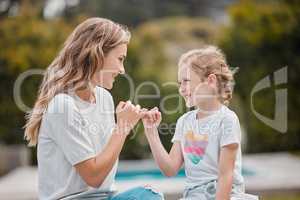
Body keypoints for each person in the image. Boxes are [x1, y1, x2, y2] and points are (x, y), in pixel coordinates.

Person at [24, 17, 163, 200]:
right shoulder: (63, 106)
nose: (122, 70)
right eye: (120, 59)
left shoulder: (104, 98)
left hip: (104, 196)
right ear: (97, 55)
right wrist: (122, 127)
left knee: (149, 195)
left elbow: (103, 174)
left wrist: (131, 123)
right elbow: (94, 177)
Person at [142, 46, 258, 200]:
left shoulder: (227, 120)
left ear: (210, 81)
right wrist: (151, 132)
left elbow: (226, 176)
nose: (181, 89)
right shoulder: (184, 122)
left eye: (186, 81)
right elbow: (169, 169)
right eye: (179, 83)